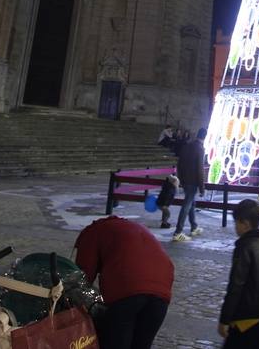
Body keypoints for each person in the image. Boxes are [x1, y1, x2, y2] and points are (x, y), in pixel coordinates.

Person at [75, 215, 174, 349]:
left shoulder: (92, 233)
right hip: (161, 291)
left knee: (116, 342)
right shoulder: (130, 228)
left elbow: (83, 276)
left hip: (127, 292)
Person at [218, 199, 259, 349]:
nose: (235, 227)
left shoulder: (244, 247)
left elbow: (236, 285)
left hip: (246, 314)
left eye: (236, 223)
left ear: (244, 224)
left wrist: (225, 319)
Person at [173, 127, 206, 241]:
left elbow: (179, 163)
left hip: (185, 180)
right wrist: (202, 187)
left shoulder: (187, 146)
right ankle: (178, 232)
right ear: (204, 137)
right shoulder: (199, 149)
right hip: (193, 181)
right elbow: (200, 169)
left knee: (191, 203)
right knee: (187, 205)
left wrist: (181, 178)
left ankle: (194, 226)